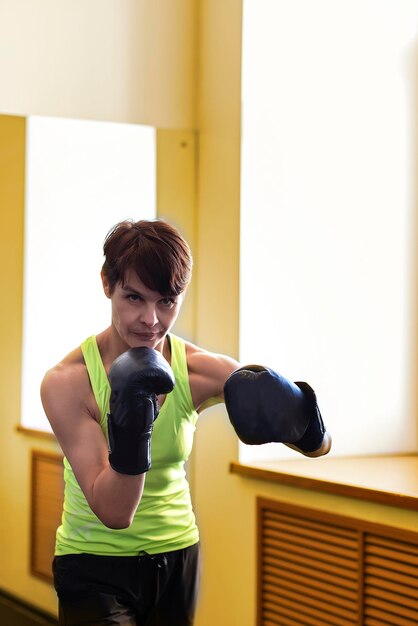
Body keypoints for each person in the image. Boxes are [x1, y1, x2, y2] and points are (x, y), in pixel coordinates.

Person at [41, 218, 331, 626]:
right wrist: (132, 419)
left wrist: (301, 415)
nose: (150, 319)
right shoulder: (68, 382)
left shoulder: (201, 372)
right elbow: (115, 512)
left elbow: (320, 447)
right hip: (93, 563)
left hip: (177, 556)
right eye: (134, 298)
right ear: (107, 283)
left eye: (167, 302)